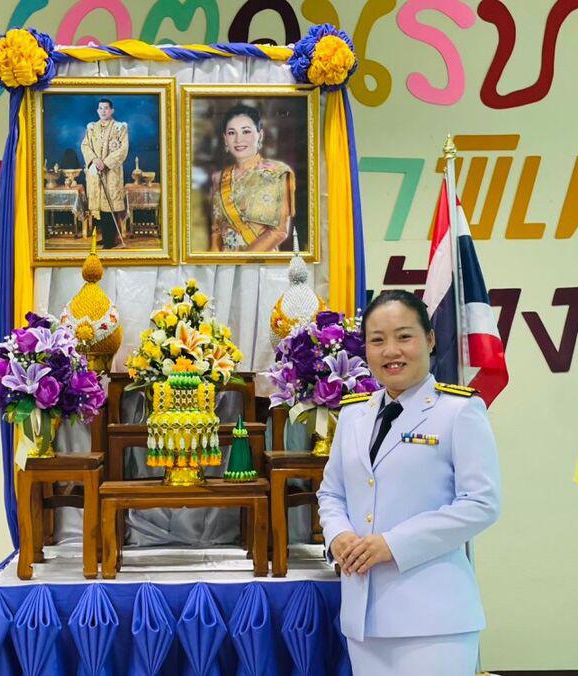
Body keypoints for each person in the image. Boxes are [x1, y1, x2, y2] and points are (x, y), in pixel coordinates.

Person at [317, 289, 501, 675]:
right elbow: (332, 493)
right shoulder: (353, 415)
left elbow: (481, 503)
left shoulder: (459, 410)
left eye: (404, 337)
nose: (391, 351)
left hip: (434, 619)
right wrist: (339, 536)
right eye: (377, 340)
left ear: (430, 339)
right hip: (363, 618)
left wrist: (392, 544)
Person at [209, 103, 295, 252]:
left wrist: (242, 261)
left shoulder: (277, 173)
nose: (238, 139)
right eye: (231, 133)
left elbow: (279, 231)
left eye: (246, 131)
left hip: (260, 261)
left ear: (260, 135)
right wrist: (213, 262)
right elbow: (216, 232)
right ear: (225, 139)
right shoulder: (218, 178)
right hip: (224, 262)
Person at [81, 98, 128, 249]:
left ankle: (111, 239)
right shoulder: (92, 128)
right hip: (96, 171)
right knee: (100, 207)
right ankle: (105, 237)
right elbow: (85, 145)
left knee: (110, 205)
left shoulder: (119, 128)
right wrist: (94, 160)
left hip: (111, 172)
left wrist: (105, 163)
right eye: (100, 108)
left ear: (112, 110)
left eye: (106, 108)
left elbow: (123, 149)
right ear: (97, 110)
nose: (103, 111)